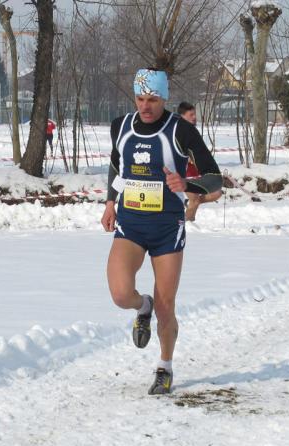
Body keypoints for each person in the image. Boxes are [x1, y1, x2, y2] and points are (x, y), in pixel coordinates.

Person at [101, 69, 222, 395]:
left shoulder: (180, 130)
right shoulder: (121, 127)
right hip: (131, 224)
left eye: (152, 99)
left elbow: (215, 177)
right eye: (140, 99)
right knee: (119, 293)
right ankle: (143, 307)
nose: (145, 106)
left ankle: (164, 366)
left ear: (164, 97)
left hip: (168, 228)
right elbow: (117, 164)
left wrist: (187, 184)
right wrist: (111, 202)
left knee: (167, 306)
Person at [177, 102, 222, 221]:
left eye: (194, 114)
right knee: (195, 200)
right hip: (185, 175)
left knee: (216, 193)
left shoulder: (192, 131)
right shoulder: (178, 132)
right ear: (182, 116)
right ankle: (188, 224)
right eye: (191, 115)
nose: (194, 117)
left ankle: (188, 204)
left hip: (198, 174)